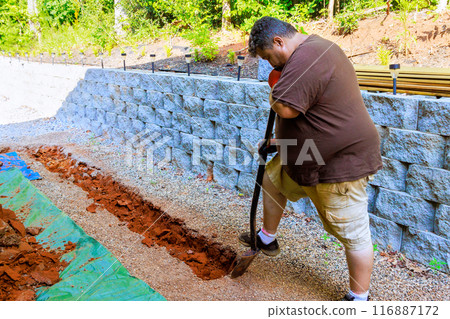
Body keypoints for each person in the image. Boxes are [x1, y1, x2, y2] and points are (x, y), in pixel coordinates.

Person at [239, 16, 383, 301]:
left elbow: (286, 107)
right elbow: (316, 110)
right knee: (273, 179)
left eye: (269, 56)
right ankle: (267, 238)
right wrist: (278, 142)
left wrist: (274, 87)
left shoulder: (310, 56)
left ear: (280, 41)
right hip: (306, 154)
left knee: (352, 232)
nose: (271, 64)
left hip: (339, 162)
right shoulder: (308, 52)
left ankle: (359, 298)